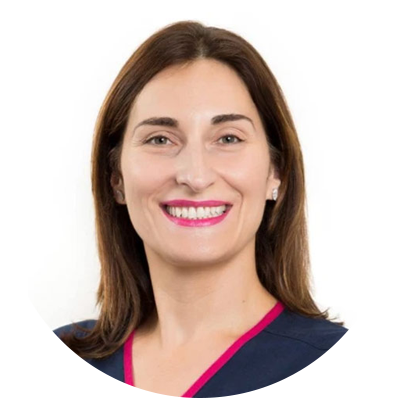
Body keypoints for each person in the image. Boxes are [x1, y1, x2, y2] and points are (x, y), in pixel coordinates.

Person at [28, 20, 357, 398]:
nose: (195, 175)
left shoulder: (349, 374)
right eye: (160, 139)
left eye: (228, 138)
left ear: (275, 171)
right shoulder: (50, 369)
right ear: (116, 178)